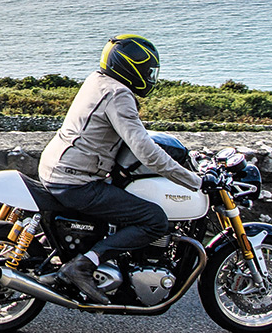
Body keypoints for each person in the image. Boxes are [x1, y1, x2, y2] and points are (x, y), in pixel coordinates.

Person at [37, 34, 203, 304]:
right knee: (154, 219)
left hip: (57, 167)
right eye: (147, 71)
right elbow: (146, 151)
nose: (150, 76)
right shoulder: (119, 94)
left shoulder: (98, 80)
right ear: (130, 67)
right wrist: (192, 180)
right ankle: (83, 266)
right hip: (75, 181)